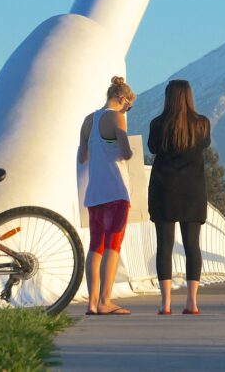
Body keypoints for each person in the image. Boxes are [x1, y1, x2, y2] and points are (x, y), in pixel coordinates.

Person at [148, 80, 211, 315]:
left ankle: (165, 304)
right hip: (193, 191)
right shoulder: (202, 124)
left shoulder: (158, 124)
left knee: (164, 245)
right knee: (192, 246)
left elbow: (153, 148)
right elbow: (204, 145)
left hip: (164, 190)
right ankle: (191, 302)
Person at [77, 76, 135, 316]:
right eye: (128, 106)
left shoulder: (88, 120)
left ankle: (91, 303)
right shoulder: (117, 118)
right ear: (122, 98)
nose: (126, 110)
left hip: (94, 193)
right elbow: (126, 152)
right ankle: (105, 301)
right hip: (116, 191)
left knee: (95, 247)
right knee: (113, 245)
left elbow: (82, 157)